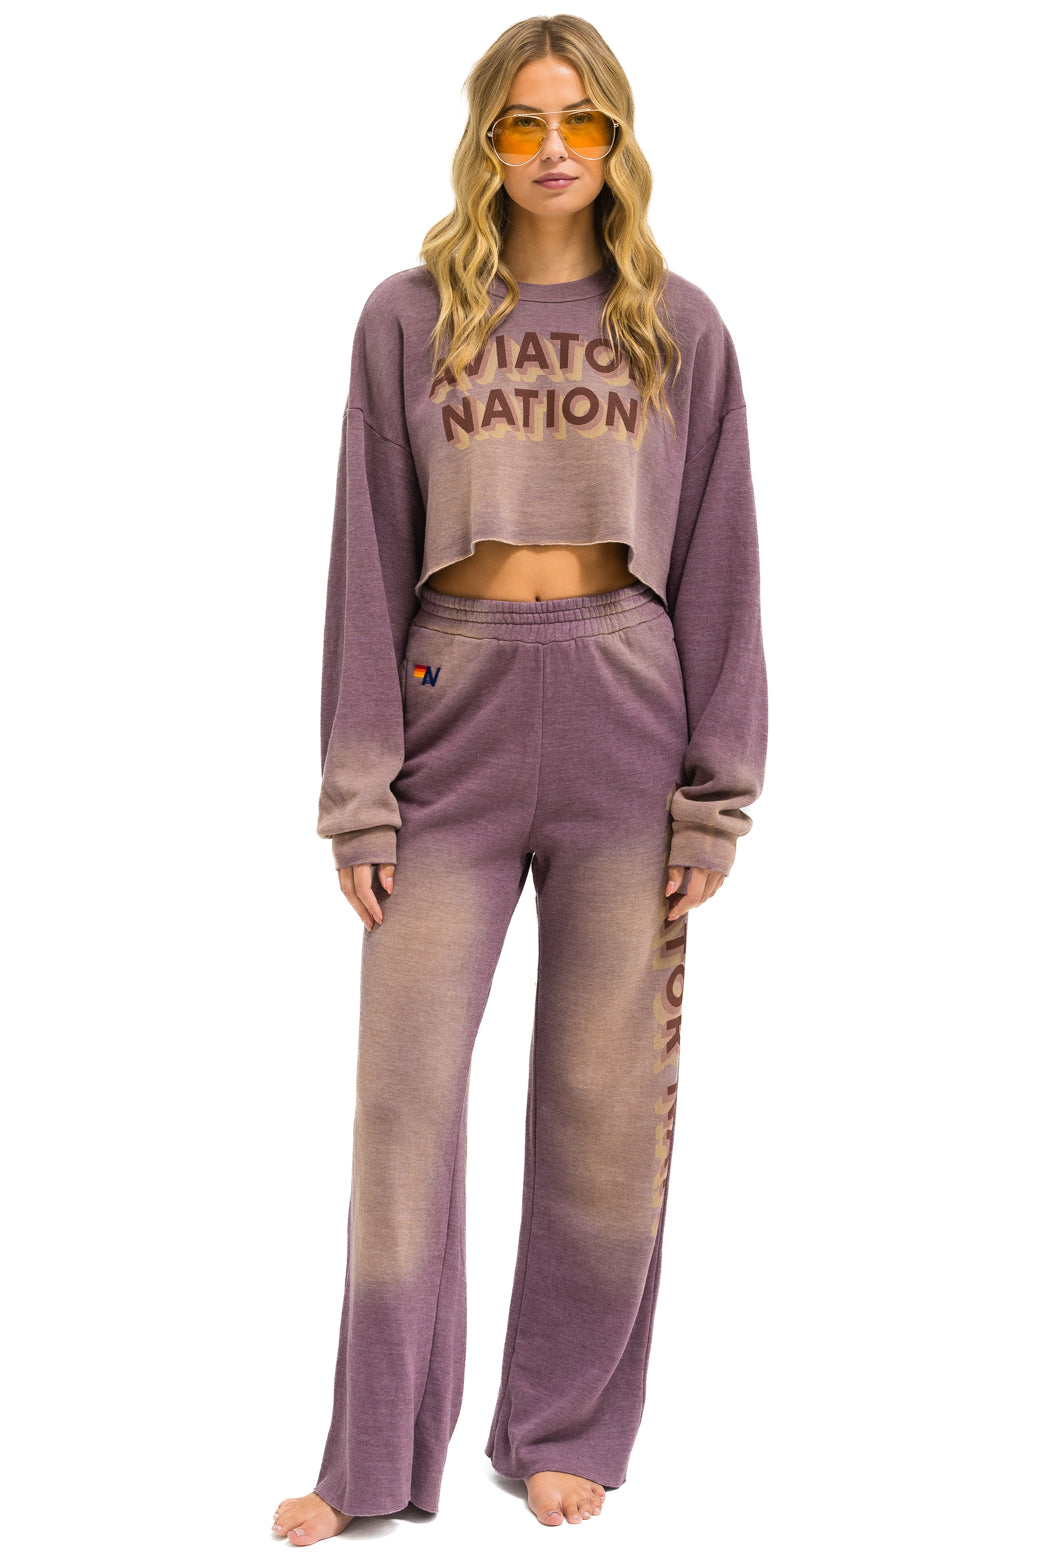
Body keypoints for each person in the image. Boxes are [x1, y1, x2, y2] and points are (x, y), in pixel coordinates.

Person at [273, 13, 768, 1545]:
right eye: (525, 123)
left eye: (584, 121)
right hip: (454, 717)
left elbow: (724, 558)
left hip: (629, 715)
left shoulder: (679, 325)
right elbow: (365, 555)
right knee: (402, 1102)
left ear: (618, 139)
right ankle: (372, 1461)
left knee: (606, 1101)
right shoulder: (406, 317)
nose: (556, 149)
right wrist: (360, 791)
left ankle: (560, 1426)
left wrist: (718, 790)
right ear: (484, 140)